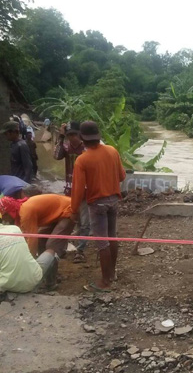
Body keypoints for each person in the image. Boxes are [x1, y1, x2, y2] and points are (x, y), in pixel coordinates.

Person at [71, 121, 126, 292]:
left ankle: (105, 281)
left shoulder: (82, 160)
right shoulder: (112, 151)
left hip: (97, 204)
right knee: (112, 237)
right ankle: (113, 273)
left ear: (82, 138)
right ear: (98, 136)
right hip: (113, 201)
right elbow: (122, 176)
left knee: (102, 242)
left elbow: (78, 190)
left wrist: (74, 210)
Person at [0, 208, 58, 292]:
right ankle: (50, 284)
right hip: (34, 280)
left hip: (9, 284)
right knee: (51, 252)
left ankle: (3, 287)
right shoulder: (15, 229)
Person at [0, 194, 74, 259]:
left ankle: (50, 270)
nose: (4, 220)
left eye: (3, 216)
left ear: (9, 212)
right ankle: (44, 268)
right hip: (56, 214)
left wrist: (29, 261)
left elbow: (32, 239)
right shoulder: (21, 209)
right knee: (41, 240)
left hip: (69, 210)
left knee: (52, 246)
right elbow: (28, 236)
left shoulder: (25, 213)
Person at [53, 121, 89, 263]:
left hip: (86, 190)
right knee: (69, 220)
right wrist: (61, 137)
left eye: (74, 134)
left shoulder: (86, 148)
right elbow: (56, 156)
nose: (72, 137)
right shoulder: (66, 147)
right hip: (70, 189)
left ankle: (80, 250)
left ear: (80, 134)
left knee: (85, 222)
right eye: (69, 135)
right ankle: (63, 247)